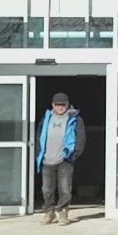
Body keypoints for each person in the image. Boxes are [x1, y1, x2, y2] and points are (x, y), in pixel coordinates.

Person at [35, 92, 85, 225]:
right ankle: (49, 213)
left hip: (65, 160)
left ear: (68, 104)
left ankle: (63, 213)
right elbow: (39, 136)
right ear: (53, 105)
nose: (60, 107)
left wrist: (72, 156)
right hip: (47, 159)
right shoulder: (47, 118)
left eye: (63, 105)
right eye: (57, 105)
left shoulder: (75, 118)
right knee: (46, 189)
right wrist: (39, 153)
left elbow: (81, 139)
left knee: (65, 189)